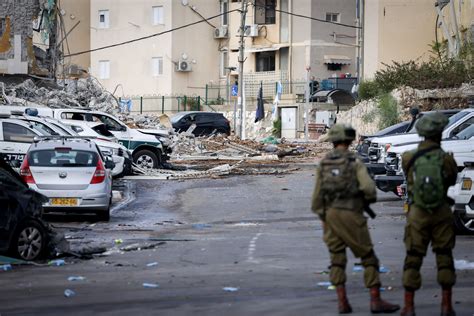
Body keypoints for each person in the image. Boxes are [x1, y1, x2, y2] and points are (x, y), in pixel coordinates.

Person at [311, 124, 400, 314]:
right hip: (352, 214)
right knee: (368, 257)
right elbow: (369, 189)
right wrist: (362, 202)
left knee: (336, 260)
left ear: (332, 141)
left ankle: (342, 302)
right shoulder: (354, 161)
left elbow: (316, 199)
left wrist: (324, 217)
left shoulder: (324, 163)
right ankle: (375, 300)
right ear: (349, 141)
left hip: (331, 216)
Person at [400, 112, 458, 316]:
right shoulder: (446, 159)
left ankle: (408, 306)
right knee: (444, 256)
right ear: (440, 133)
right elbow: (451, 180)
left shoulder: (409, 157)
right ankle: (446, 305)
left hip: (417, 212)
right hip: (441, 211)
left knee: (413, 257)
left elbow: (408, 178)